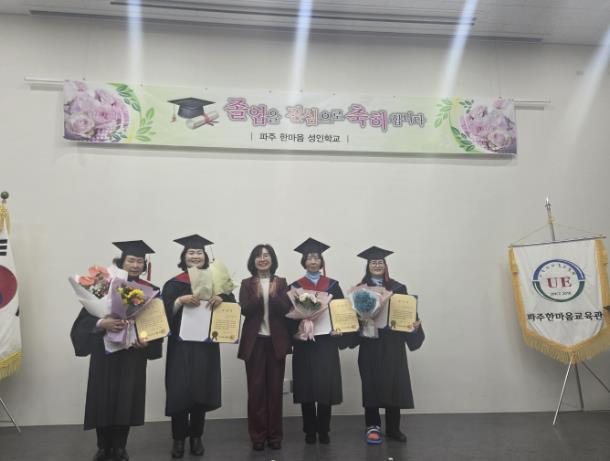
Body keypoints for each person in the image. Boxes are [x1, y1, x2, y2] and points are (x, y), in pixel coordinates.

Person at [70, 240, 163, 461]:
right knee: (102, 398)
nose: (135, 265)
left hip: (132, 355)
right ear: (122, 261)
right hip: (105, 354)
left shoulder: (151, 291)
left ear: (144, 265)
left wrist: (146, 340)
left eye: (140, 261)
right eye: (131, 260)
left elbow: (155, 324)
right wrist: (102, 323)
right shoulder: (103, 285)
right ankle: (103, 446)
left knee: (126, 400)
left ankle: (120, 446)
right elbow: (84, 321)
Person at [162, 234, 236, 458]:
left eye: (199, 252)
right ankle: (178, 439)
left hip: (205, 345)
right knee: (179, 391)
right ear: (184, 256)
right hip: (180, 346)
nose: (195, 256)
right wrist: (179, 301)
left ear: (205, 256)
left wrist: (222, 298)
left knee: (201, 390)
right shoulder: (174, 283)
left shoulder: (217, 282)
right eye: (191, 252)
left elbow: (232, 307)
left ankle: (196, 437)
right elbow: (161, 313)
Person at [354, 246, 424, 445]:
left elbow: (408, 313)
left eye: (380, 262)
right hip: (370, 342)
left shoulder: (398, 288)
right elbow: (354, 317)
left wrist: (414, 326)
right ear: (368, 266)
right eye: (373, 262)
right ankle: (372, 426)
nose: (377, 265)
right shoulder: (360, 289)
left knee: (394, 383)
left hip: (393, 343)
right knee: (371, 383)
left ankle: (393, 427)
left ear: (385, 265)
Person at [289, 237, 346, 444]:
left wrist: (340, 329)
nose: (313, 261)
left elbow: (341, 312)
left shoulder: (333, 285)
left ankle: (324, 430)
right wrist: (295, 332)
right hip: (304, 343)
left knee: (324, 386)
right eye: (309, 258)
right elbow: (288, 316)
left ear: (321, 262)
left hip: (326, 343)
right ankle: (309, 431)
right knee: (306, 386)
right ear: (304, 261)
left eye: (316, 258)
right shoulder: (295, 286)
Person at [237, 244, 291, 451]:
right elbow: (245, 310)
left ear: (272, 260)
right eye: (258, 256)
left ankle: (275, 435)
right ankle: (258, 436)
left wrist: (274, 295)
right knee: (256, 390)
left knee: (275, 391)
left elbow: (287, 309)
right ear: (253, 261)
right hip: (255, 342)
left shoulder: (282, 282)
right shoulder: (246, 283)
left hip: (276, 342)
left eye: (266, 255)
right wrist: (259, 296)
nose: (262, 259)